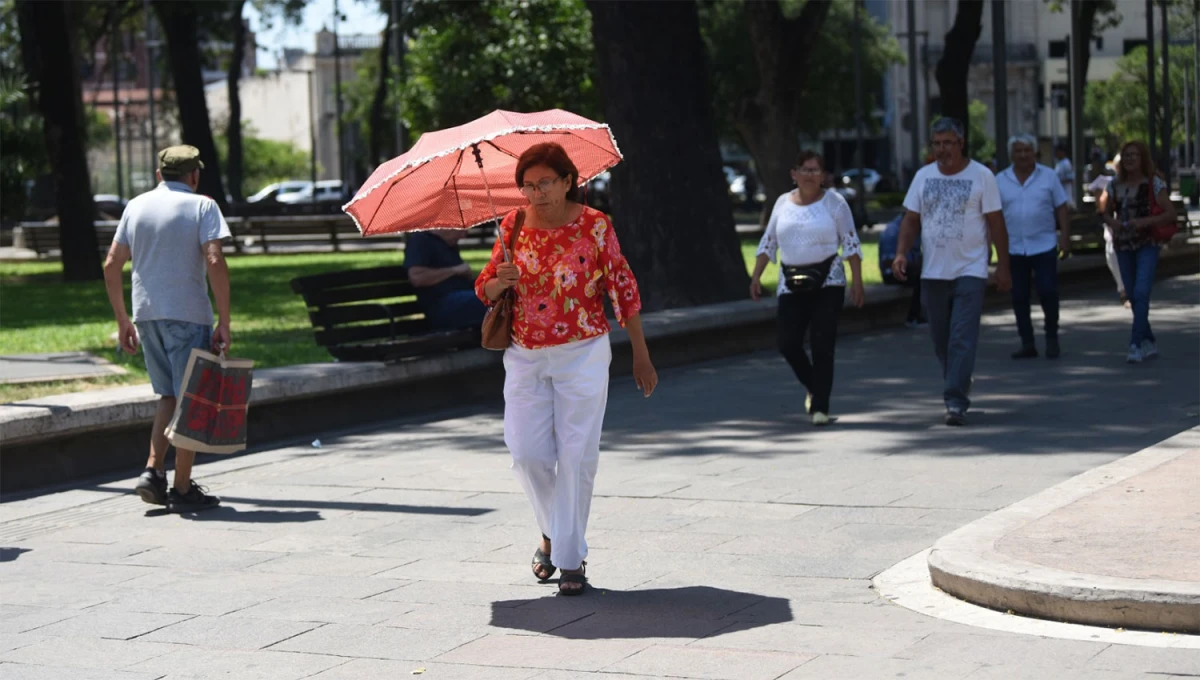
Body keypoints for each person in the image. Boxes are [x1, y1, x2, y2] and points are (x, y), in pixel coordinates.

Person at [475, 142, 657, 596]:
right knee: (527, 454)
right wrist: (503, 280)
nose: (535, 192)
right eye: (527, 185)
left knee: (576, 456)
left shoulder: (595, 226)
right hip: (524, 354)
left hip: (583, 353)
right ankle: (553, 532)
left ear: (568, 180)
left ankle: (570, 561)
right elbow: (485, 287)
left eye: (544, 183)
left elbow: (622, 287)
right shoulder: (512, 224)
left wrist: (640, 352)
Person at [102, 145, 230, 512]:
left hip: (146, 316)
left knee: (168, 397)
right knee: (190, 402)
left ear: (159, 175)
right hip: (188, 315)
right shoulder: (203, 205)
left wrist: (122, 319)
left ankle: (152, 472)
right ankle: (183, 489)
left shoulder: (135, 206)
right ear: (194, 175)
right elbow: (215, 259)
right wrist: (224, 319)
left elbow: (112, 264)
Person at [892, 118, 1012, 426]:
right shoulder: (923, 176)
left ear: (961, 144)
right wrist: (901, 253)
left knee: (962, 336)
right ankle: (959, 380)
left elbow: (997, 223)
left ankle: (955, 401)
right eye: (937, 144)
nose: (942, 149)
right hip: (933, 272)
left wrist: (1003, 266)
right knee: (941, 339)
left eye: (948, 143)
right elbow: (910, 220)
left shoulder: (982, 176)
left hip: (970, 269)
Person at [751, 151, 865, 426]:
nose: (810, 175)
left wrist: (858, 282)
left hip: (829, 281)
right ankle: (815, 385)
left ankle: (821, 407)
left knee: (822, 344)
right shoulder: (781, 204)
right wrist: (756, 276)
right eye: (804, 169)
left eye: (815, 170)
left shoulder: (835, 203)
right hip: (791, 282)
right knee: (787, 343)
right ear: (794, 174)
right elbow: (768, 243)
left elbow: (851, 243)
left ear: (823, 175)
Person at [1097, 140, 1177, 363]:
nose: (1131, 159)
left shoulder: (1154, 184)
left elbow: (1171, 214)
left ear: (1143, 159)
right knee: (1132, 294)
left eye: (1135, 155)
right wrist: (1112, 224)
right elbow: (1103, 211)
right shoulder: (1114, 184)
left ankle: (1135, 343)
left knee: (1141, 292)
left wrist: (1145, 222)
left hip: (1147, 243)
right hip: (1123, 244)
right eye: (1127, 156)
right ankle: (1148, 339)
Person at [998, 134, 1071, 359]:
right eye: (1018, 151)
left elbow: (1061, 208)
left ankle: (1051, 337)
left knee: (1047, 291)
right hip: (1014, 248)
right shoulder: (999, 180)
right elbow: (993, 215)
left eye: (1027, 151)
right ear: (1012, 154)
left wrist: (1065, 237)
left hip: (1044, 244)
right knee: (1019, 297)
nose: (1023, 155)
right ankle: (1027, 342)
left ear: (1035, 153)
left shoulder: (1049, 177)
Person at [404, 229, 487, 330]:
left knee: (501, 295)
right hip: (440, 305)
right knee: (489, 302)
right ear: (448, 227)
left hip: (461, 298)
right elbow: (417, 277)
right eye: (461, 231)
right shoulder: (420, 241)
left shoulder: (449, 244)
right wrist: (455, 270)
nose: (463, 236)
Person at [1086, 168, 1127, 307]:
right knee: (1113, 257)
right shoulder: (1104, 204)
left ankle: (1127, 291)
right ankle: (1124, 291)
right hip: (1113, 239)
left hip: (1124, 237)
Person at [879, 213, 926, 327]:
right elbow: (888, 262)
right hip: (892, 273)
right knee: (920, 279)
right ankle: (913, 318)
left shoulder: (916, 230)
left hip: (911, 270)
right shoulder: (892, 231)